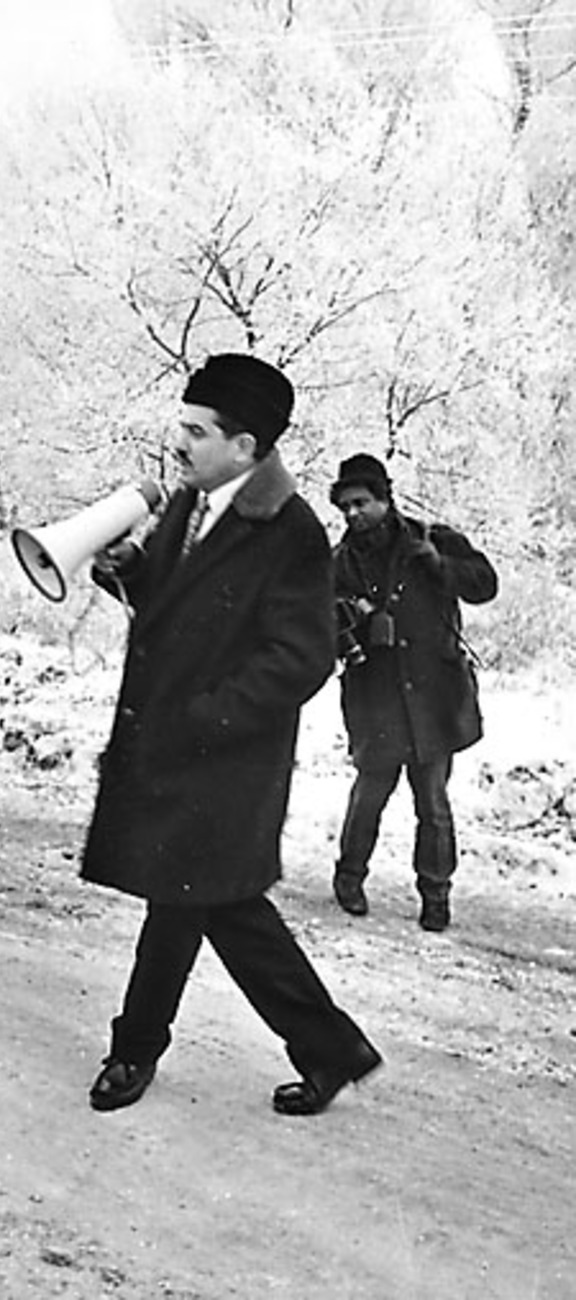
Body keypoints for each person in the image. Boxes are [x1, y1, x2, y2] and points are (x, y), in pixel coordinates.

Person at [80, 352, 380, 1118]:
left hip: (225, 762)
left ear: (245, 447)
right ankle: (324, 1050)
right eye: (181, 426)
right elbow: (174, 603)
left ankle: (135, 1051)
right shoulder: (194, 501)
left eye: (196, 431)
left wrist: (206, 717)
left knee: (204, 903)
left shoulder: (290, 531)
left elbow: (301, 656)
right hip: (180, 751)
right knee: (195, 903)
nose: (178, 443)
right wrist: (128, 570)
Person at [328, 452, 497, 932]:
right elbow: (318, 622)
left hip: (432, 697)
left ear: (385, 499)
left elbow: (485, 585)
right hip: (376, 698)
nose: (353, 513)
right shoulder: (339, 562)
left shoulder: (432, 540)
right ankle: (349, 878)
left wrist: (441, 566)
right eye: (345, 506)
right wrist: (350, 622)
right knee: (369, 797)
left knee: (434, 805)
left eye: (361, 503)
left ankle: (436, 895)